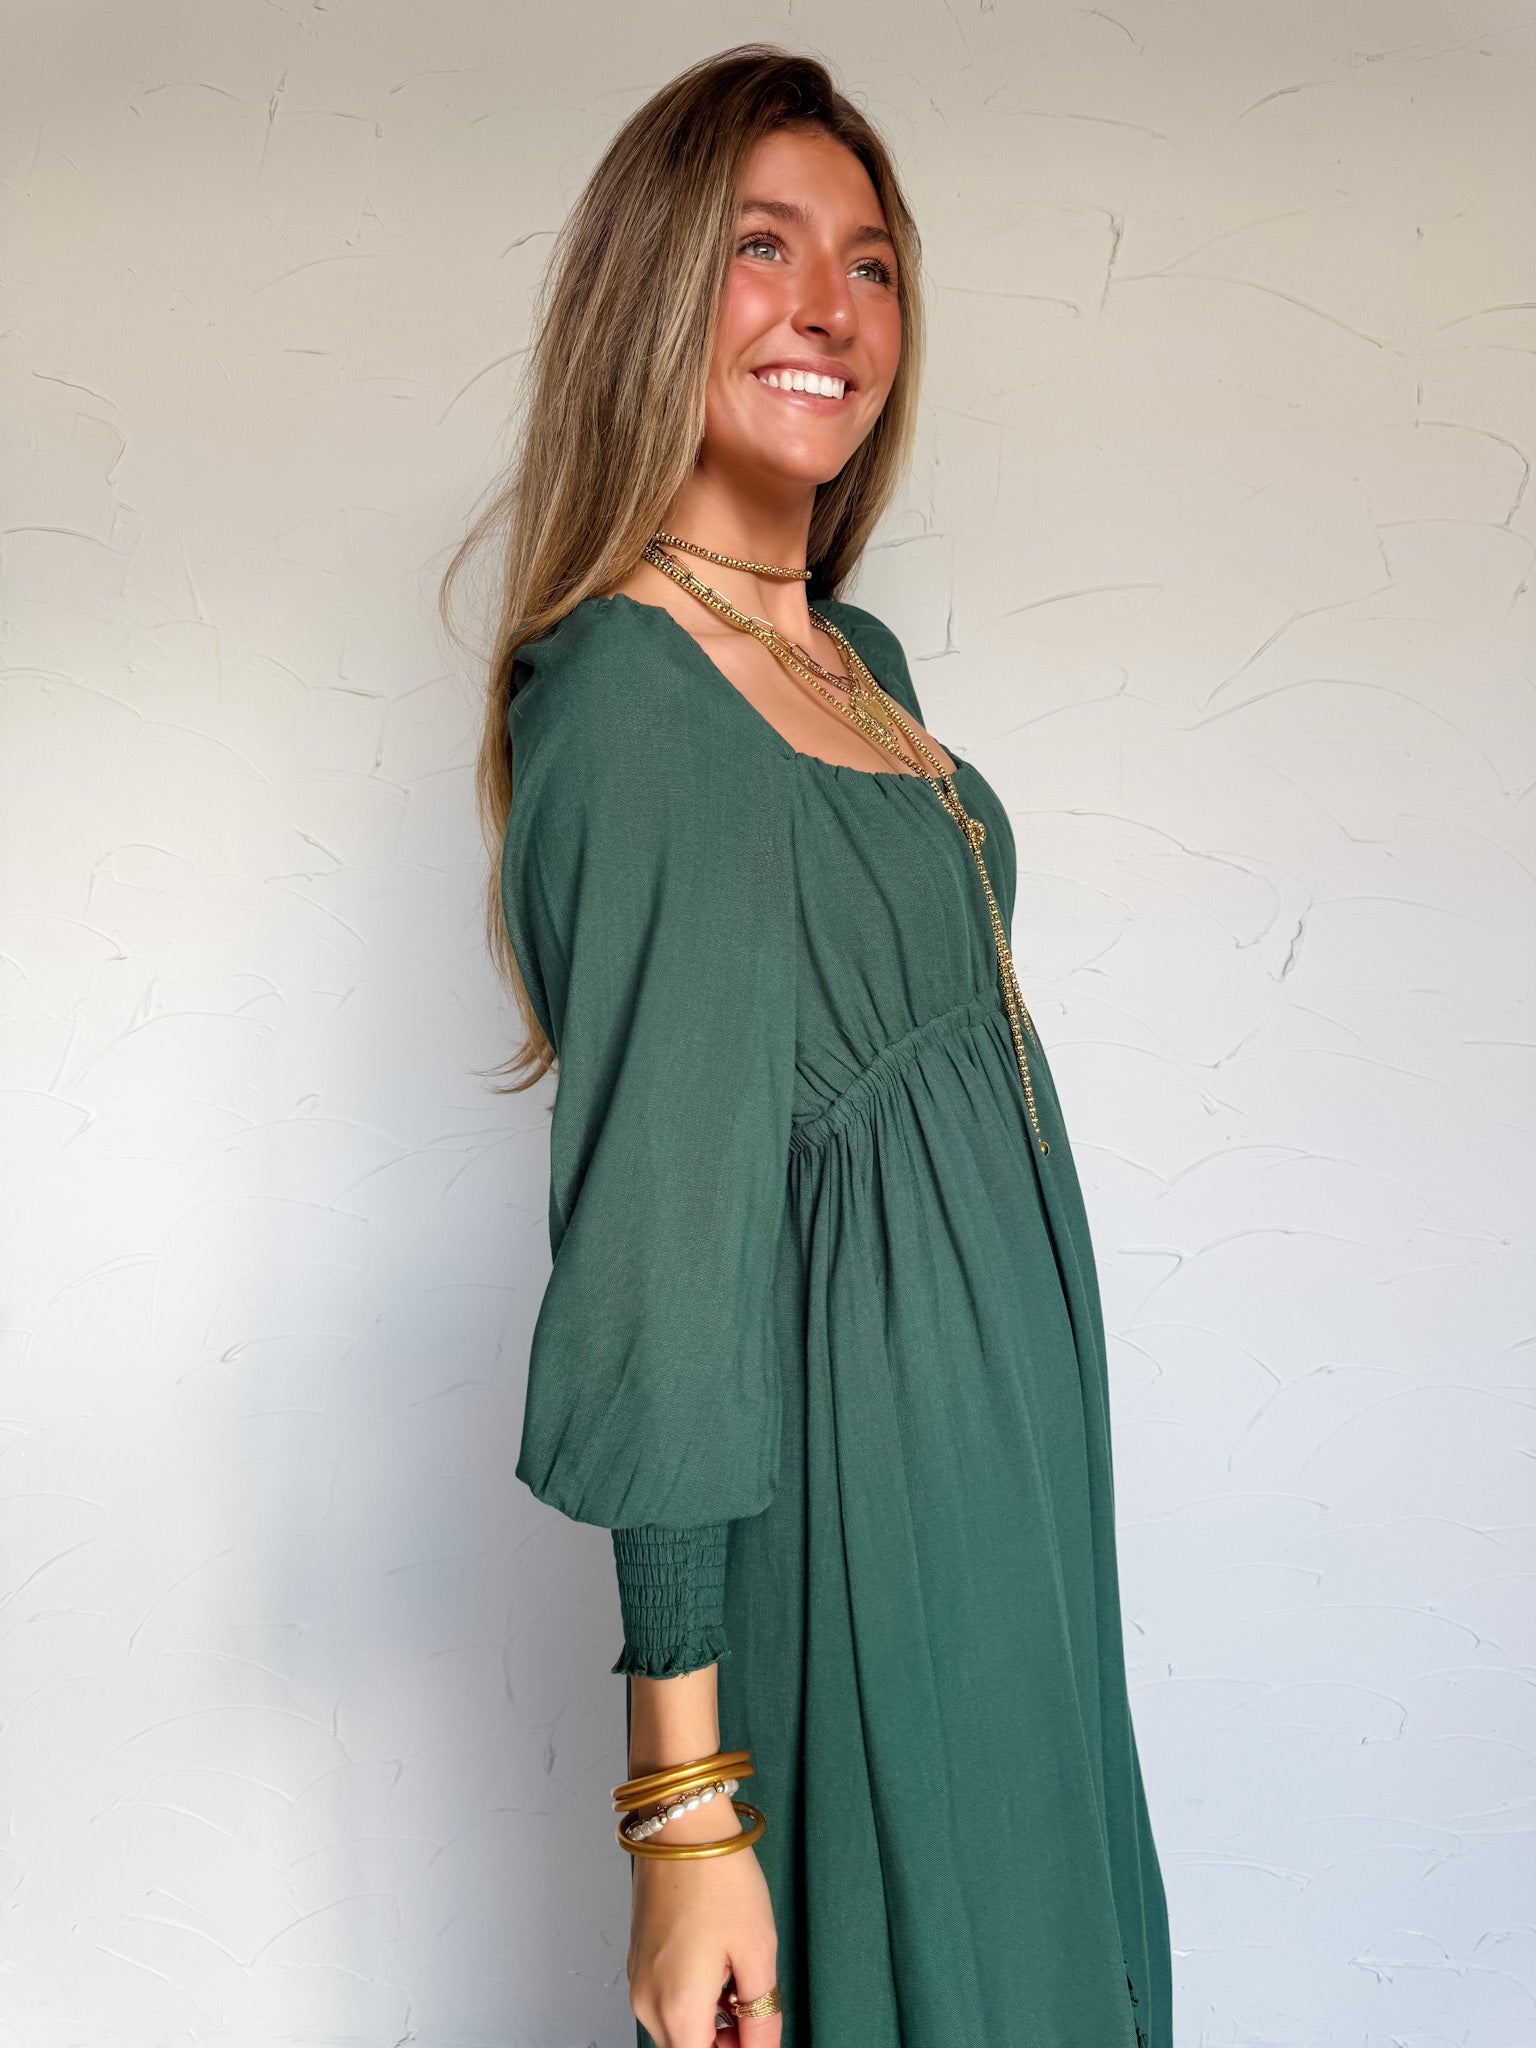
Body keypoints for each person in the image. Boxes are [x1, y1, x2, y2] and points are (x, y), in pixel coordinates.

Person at [443, 43, 1172, 2048]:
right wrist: (683, 1818)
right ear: (652, 293)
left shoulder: (857, 661)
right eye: (762, 248)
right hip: (865, 1533)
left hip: (1011, 1507)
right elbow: (660, 1271)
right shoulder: (637, 703)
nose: (829, 306)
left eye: (872, 262)